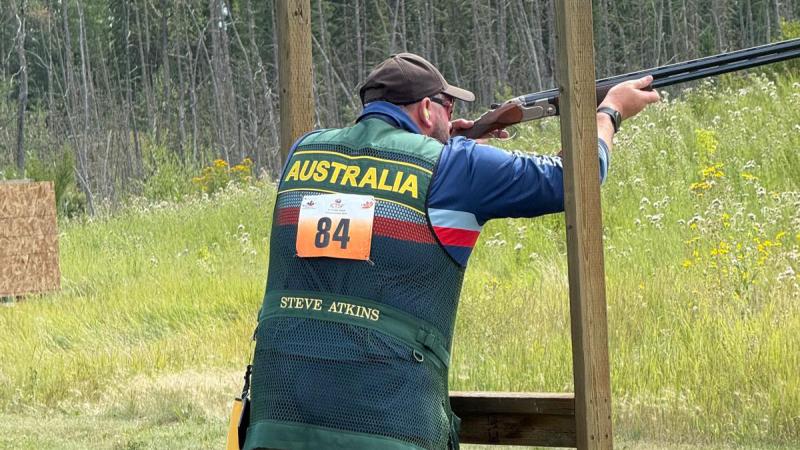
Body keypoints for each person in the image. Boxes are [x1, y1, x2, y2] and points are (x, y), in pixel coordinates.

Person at [242, 53, 659, 450]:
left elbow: (365, 188)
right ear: (427, 110)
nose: (450, 115)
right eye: (445, 106)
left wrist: (443, 144)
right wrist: (610, 113)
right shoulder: (455, 167)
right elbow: (575, 178)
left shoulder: (303, 152)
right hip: (391, 423)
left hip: (280, 415)